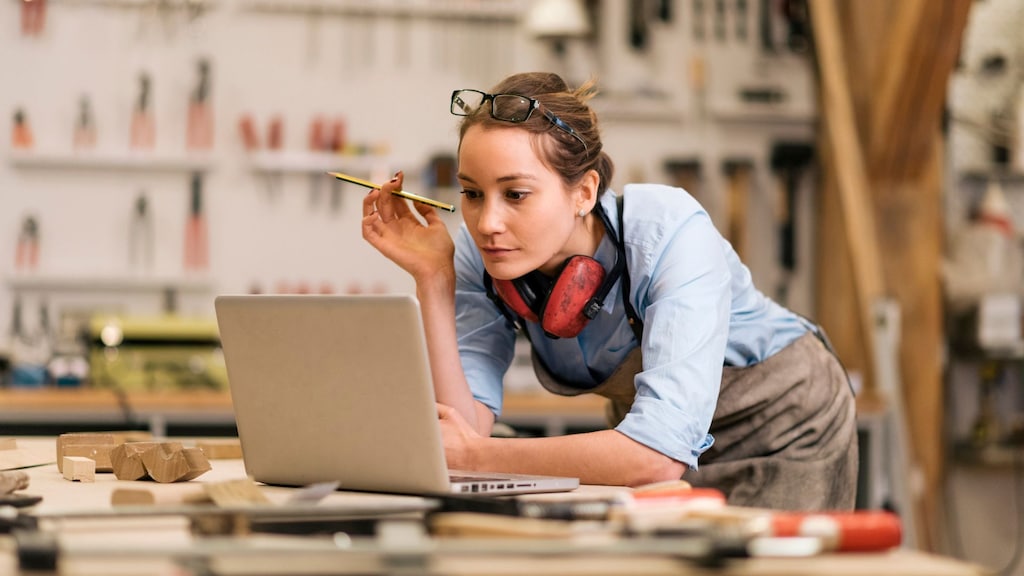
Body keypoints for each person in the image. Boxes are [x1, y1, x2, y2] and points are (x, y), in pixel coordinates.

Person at [361, 71, 857, 510]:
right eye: (472, 193)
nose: (487, 222)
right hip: (644, 449)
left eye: (516, 194)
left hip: (783, 425)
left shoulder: (667, 232)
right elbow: (463, 433)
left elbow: (657, 455)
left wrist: (480, 455)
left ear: (584, 192)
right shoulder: (480, 256)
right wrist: (434, 280)